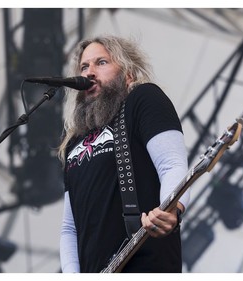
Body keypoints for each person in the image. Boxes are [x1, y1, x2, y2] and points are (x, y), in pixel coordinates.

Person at [58, 35, 190, 273]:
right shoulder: (74, 142)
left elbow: (172, 164)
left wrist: (172, 210)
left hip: (144, 262)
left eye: (101, 62)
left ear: (128, 72)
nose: (89, 72)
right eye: (84, 66)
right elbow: (70, 227)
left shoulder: (143, 100)